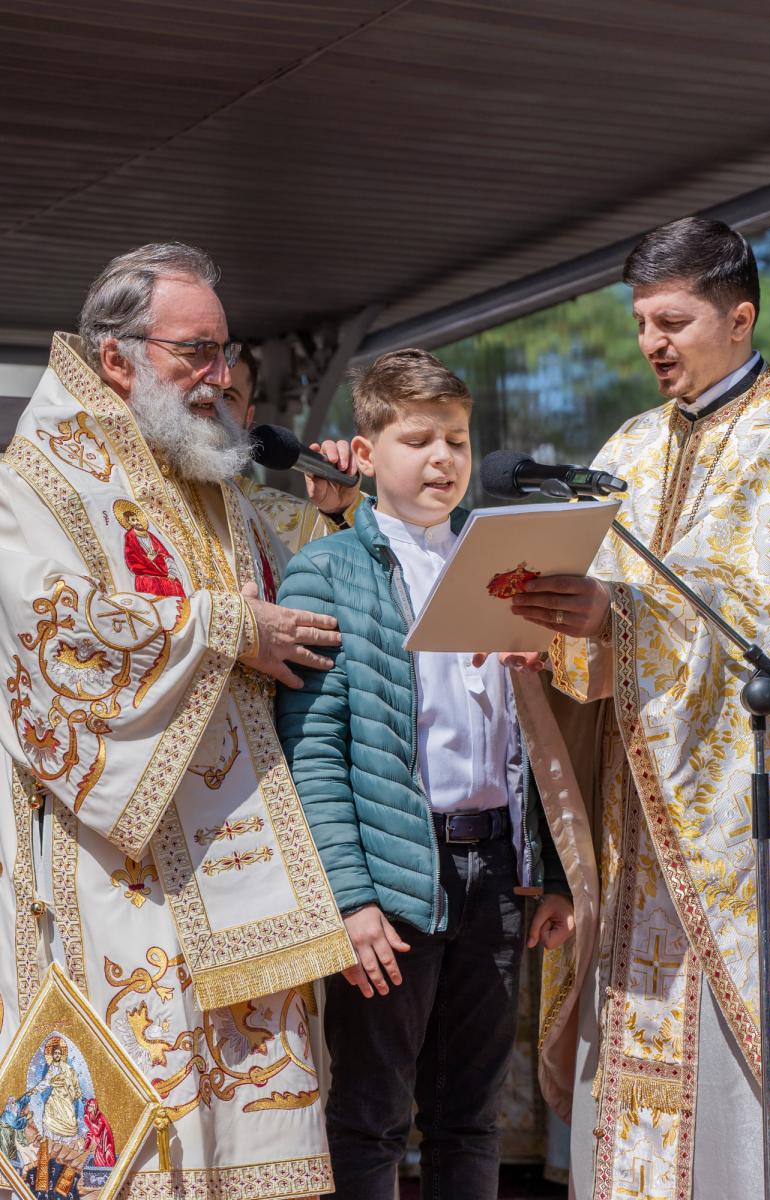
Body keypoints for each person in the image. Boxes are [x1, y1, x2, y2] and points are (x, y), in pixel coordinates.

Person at [503, 218, 770, 1198]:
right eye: (641, 322)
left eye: (672, 320)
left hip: (756, 834)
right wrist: (550, 638)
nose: (651, 343)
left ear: (737, 318)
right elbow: (605, 626)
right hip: (643, 829)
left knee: (748, 1076)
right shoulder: (628, 446)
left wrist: (620, 617)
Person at [0, 242, 357, 1200]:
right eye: (195, 352)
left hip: (244, 861)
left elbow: (301, 599)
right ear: (116, 359)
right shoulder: (39, 478)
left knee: (255, 1139)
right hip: (123, 866)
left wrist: (343, 515)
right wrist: (229, 626)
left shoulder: (202, 468)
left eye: (225, 353)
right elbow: (55, 636)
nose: (221, 376)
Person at [275, 348, 576, 1200]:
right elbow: (313, 749)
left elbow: (533, 740)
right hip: (396, 878)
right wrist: (349, 896)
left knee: (469, 1113)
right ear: (366, 454)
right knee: (372, 1115)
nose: (442, 458)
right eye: (417, 439)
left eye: (457, 438)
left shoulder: (503, 564)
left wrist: (548, 871)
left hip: (494, 871)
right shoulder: (330, 570)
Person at [223, 343, 361, 553]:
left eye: (227, 397)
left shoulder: (296, 521)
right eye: (205, 390)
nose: (212, 403)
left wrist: (341, 512)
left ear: (248, 417)